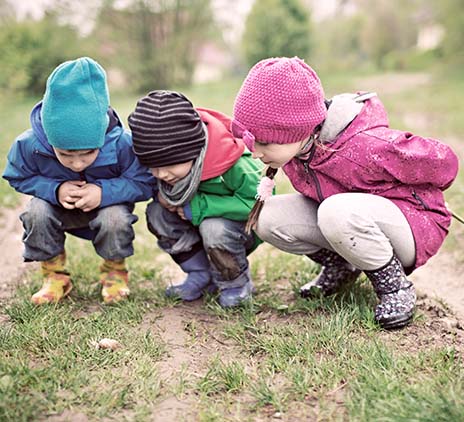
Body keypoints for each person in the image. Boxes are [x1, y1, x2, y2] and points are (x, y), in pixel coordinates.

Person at [231, 56, 459, 329]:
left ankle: (395, 287)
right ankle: (342, 267)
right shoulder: (298, 150)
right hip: (351, 220)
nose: (255, 152)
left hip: (412, 226)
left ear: (297, 129)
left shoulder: (366, 146)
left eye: (265, 142)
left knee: (335, 210)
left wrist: (420, 193)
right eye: (252, 141)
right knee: (267, 217)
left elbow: (445, 162)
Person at [3, 57, 154, 305]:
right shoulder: (30, 145)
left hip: (106, 208)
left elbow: (144, 182)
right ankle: (54, 276)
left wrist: (104, 192)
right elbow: (18, 175)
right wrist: (55, 189)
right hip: (57, 208)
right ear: (51, 140)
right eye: (65, 154)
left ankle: (114, 272)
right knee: (35, 212)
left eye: (88, 153)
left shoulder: (122, 143)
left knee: (114, 217)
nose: (77, 163)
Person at [128, 90, 264, 307]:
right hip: (196, 225)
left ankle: (236, 282)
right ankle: (201, 274)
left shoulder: (235, 164)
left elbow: (258, 205)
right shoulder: (167, 170)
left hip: (237, 229)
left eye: (168, 165)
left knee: (214, 228)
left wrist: (200, 206)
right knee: (157, 213)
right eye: (153, 167)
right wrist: (161, 195)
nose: (161, 174)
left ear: (192, 151)